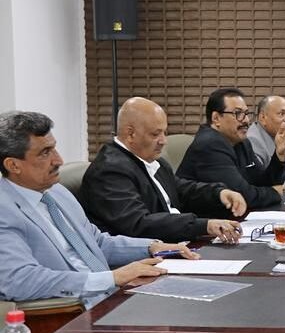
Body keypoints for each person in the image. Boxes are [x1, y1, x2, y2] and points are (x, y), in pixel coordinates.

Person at [0, 111, 199, 308]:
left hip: (111, 297)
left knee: (191, 302)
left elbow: (96, 242)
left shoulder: (57, 192)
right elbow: (19, 280)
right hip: (71, 311)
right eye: (45, 153)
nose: (58, 160)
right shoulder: (5, 210)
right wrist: (112, 278)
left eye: (54, 149)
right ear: (13, 165)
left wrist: (151, 247)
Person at [80, 97, 245, 244]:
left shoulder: (151, 161)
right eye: (155, 134)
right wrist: (204, 226)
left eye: (164, 132)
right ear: (130, 134)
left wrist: (219, 193)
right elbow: (138, 224)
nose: (163, 141)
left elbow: (181, 190)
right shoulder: (109, 172)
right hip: (144, 257)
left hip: (177, 244)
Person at [177, 88, 285, 206]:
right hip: (203, 216)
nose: (246, 120)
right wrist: (274, 193)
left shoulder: (241, 141)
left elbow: (261, 182)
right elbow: (240, 195)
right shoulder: (210, 144)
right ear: (216, 118)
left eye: (246, 113)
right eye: (238, 113)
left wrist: (280, 155)